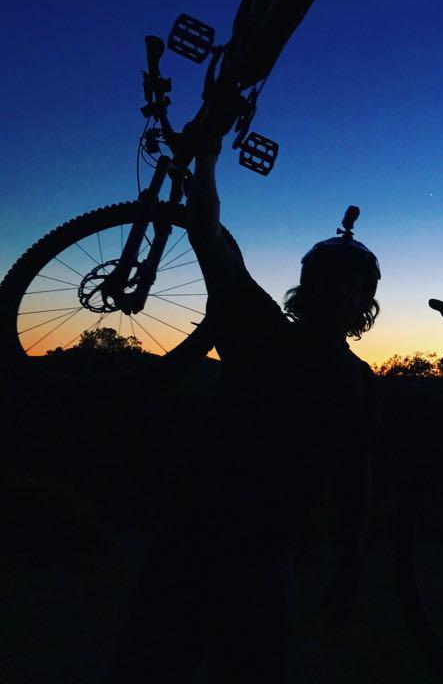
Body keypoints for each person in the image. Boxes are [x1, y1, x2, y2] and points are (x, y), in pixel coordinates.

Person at [109, 144, 381, 683]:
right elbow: (208, 234)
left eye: (354, 285)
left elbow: (357, 475)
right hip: (190, 544)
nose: (340, 291)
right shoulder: (258, 326)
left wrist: (351, 562)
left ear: (365, 304)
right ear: (306, 288)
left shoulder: (357, 382)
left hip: (268, 564)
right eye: (330, 279)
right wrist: (206, 161)